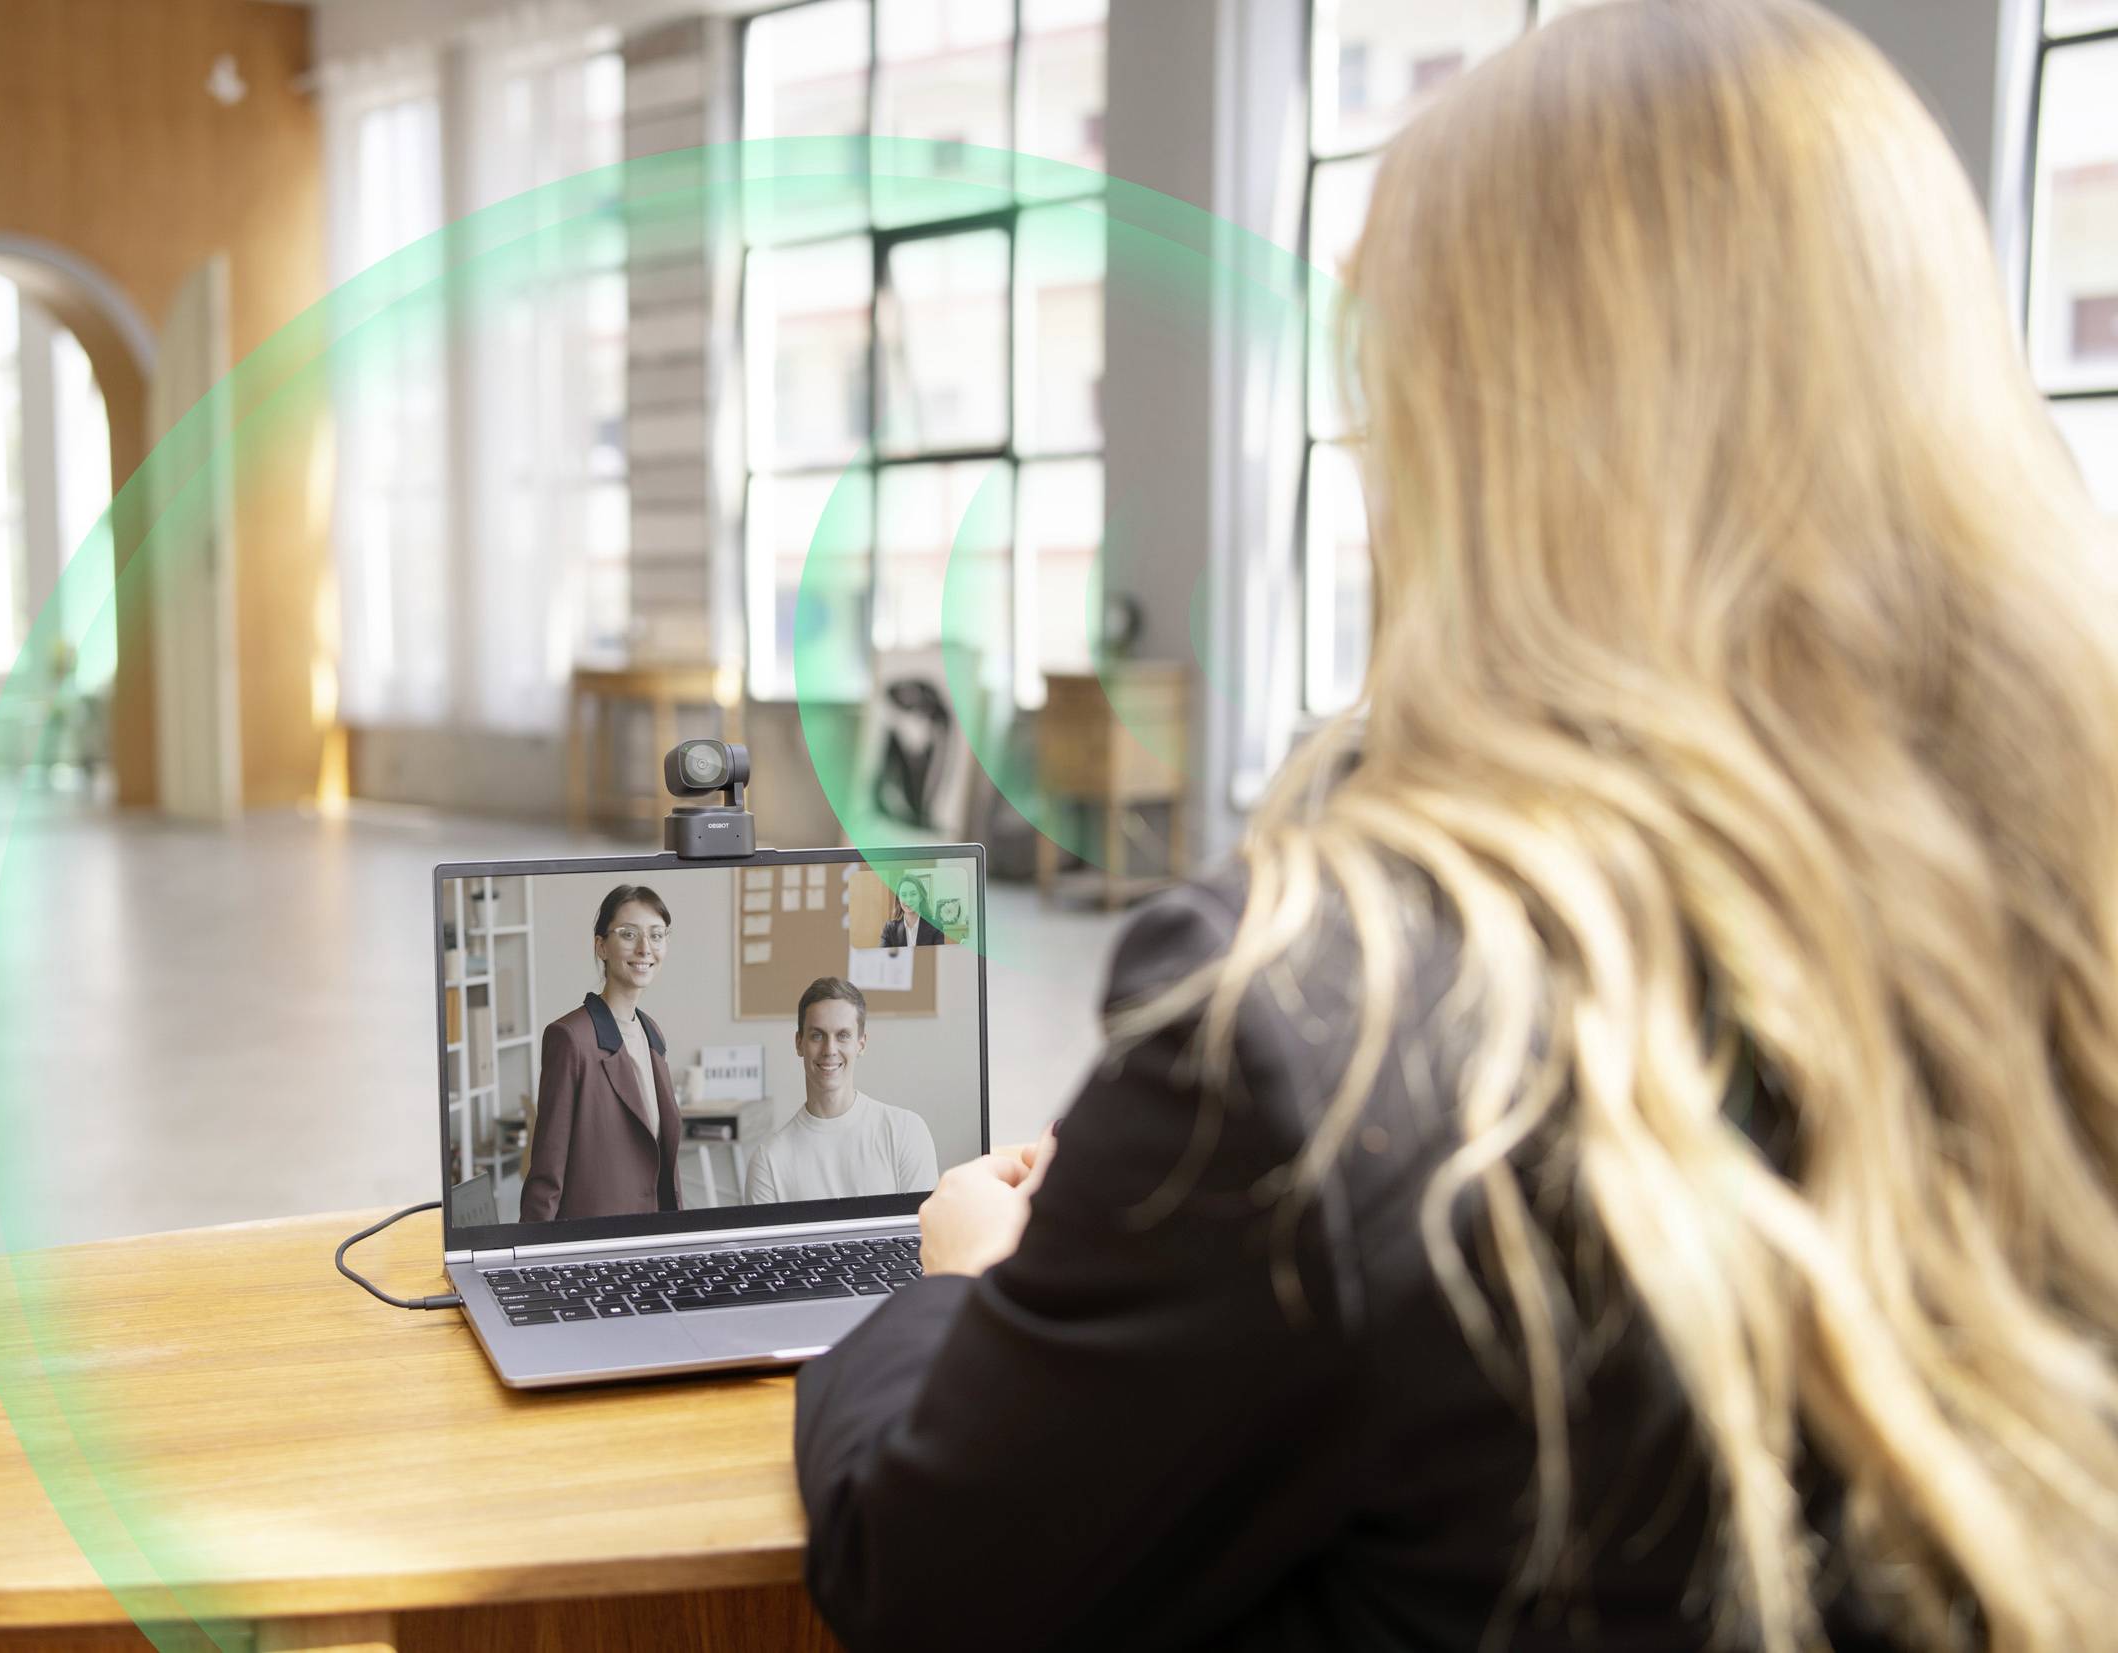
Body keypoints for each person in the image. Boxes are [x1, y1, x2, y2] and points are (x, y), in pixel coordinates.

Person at [792, 4, 2118, 1650]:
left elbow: (929, 1571)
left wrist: (950, 1280)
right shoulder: (2071, 938)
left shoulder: (1315, 1037)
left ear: (1465, 447)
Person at [520, 886, 682, 1222]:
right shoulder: (570, 1038)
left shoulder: (652, 1034)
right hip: (593, 1248)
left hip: (656, 1242)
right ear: (601, 946)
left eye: (656, 935)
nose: (645, 949)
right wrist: (532, 1257)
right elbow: (547, 1172)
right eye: (628, 934)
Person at [746, 978, 938, 1204]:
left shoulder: (905, 1132)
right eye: (817, 1035)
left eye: (843, 1036)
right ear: (799, 1043)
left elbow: (925, 1234)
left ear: (861, 1044)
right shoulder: (769, 1161)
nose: (830, 1049)